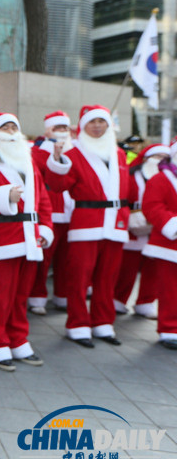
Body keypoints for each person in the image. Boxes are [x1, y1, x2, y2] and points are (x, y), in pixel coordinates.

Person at [46, 105, 134, 347]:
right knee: (79, 276)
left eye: (101, 121)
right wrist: (56, 160)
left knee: (108, 277)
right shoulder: (73, 154)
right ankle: (78, 324)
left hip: (116, 223)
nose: (97, 126)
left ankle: (103, 323)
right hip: (87, 221)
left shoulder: (118, 154)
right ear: (82, 126)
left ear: (108, 125)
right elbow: (57, 185)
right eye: (91, 122)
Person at [0, 113, 53, 371]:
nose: (10, 131)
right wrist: (5, 194)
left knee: (20, 295)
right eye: (4, 127)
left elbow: (44, 202)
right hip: (0, 238)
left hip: (30, 236)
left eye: (13, 127)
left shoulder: (28, 162)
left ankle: (18, 340)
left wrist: (46, 229)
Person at [114, 144, 169, 319]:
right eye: (156, 156)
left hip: (157, 229)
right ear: (146, 159)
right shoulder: (130, 176)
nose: (159, 161)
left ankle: (146, 302)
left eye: (163, 157)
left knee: (152, 268)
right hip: (133, 225)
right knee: (127, 267)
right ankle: (118, 299)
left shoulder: (167, 179)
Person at [29, 111, 75, 314]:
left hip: (71, 211)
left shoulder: (75, 151)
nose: (62, 132)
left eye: (65, 128)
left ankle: (62, 295)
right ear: (48, 129)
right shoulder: (36, 152)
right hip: (49, 211)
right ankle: (37, 296)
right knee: (44, 258)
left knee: (66, 259)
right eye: (58, 128)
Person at [141, 141, 177, 350]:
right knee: (170, 289)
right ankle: (170, 329)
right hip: (169, 243)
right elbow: (152, 207)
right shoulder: (160, 179)